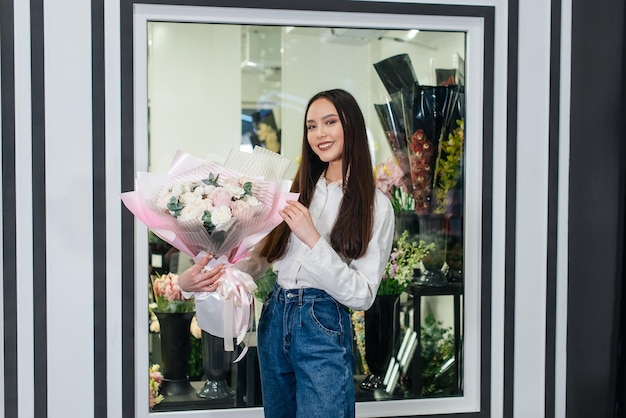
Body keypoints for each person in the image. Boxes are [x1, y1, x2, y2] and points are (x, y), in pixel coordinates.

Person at [179, 89, 395, 418]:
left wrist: (312, 238)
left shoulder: (376, 206)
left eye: (329, 122)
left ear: (351, 125)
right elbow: (261, 260)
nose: (319, 134)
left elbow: (362, 294)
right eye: (311, 126)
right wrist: (212, 272)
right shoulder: (294, 192)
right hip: (275, 317)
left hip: (322, 322)